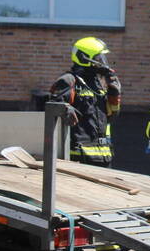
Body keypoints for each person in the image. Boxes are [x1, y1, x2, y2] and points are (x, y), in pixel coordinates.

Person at [49, 37, 121, 167]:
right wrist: (65, 108)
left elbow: (111, 117)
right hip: (79, 157)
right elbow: (50, 109)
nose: (102, 63)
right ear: (84, 58)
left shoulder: (98, 84)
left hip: (103, 157)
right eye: (98, 59)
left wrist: (114, 94)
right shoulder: (69, 81)